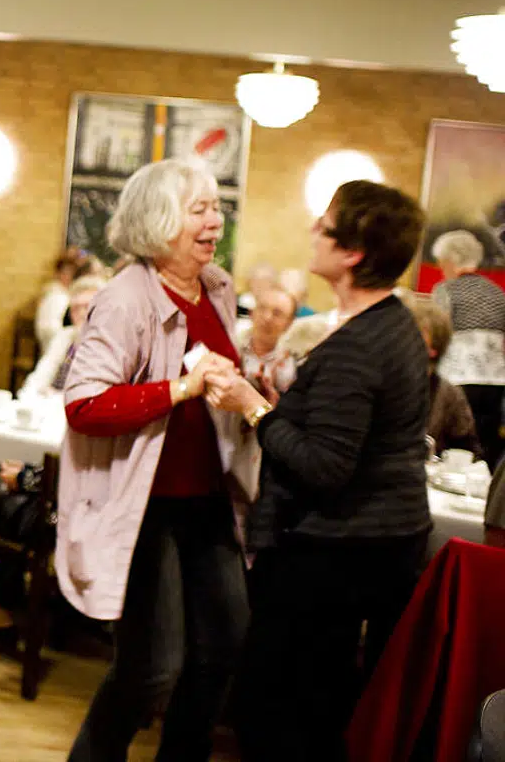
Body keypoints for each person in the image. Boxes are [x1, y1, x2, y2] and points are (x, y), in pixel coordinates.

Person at [206, 181, 431, 761]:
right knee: (317, 704)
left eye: (325, 224)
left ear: (352, 253)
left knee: (278, 710)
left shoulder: (358, 345)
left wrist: (252, 409)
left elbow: (323, 467)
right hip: (377, 542)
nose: (312, 229)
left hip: (337, 553)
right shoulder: (395, 323)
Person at [55, 159, 251, 762]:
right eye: (200, 210)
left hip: (208, 499)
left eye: (217, 207)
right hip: (143, 507)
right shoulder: (125, 298)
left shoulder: (215, 288)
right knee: (149, 671)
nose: (216, 220)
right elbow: (84, 403)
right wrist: (179, 389)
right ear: (159, 222)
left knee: (224, 647)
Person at [431, 230, 505, 468]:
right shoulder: (497, 293)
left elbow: (438, 332)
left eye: (442, 262)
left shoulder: (446, 290)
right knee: (486, 444)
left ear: (451, 261)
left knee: (457, 445)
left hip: (458, 378)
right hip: (496, 383)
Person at [407, 293, 482, 460]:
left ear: (433, 347)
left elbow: (468, 451)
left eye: (414, 334)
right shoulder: (380, 382)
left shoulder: (448, 394)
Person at [19, 275, 106, 398]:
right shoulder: (65, 336)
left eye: (87, 307)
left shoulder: (106, 345)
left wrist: (52, 395)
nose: (81, 313)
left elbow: (90, 395)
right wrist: (30, 395)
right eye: (75, 308)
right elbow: (40, 376)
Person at [237, 283, 299, 397]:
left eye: (277, 313)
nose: (267, 318)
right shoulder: (231, 347)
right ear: (252, 313)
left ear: (289, 323)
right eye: (262, 308)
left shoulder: (291, 367)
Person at [36, 247, 87, 349]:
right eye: (64, 272)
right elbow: (49, 330)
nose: (67, 276)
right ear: (57, 273)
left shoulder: (67, 294)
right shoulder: (57, 295)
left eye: (71, 273)